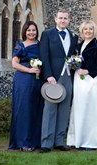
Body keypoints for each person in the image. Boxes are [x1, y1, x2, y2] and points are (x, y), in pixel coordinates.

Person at [39, 9, 78, 153]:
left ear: (69, 20)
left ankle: (59, 141)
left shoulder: (73, 36)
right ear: (55, 19)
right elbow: (44, 55)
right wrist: (48, 75)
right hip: (53, 77)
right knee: (50, 109)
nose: (63, 20)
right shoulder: (47, 34)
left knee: (64, 109)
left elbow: (73, 56)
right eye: (60, 18)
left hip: (68, 76)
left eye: (65, 18)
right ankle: (46, 143)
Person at [66, 20, 97, 150]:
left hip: (92, 80)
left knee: (92, 108)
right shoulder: (78, 46)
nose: (88, 31)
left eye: (90, 29)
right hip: (79, 80)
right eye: (85, 29)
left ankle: (92, 141)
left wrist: (88, 71)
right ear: (82, 31)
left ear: (94, 31)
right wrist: (75, 67)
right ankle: (78, 139)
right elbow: (72, 61)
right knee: (80, 108)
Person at [9, 21, 44, 152]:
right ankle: (23, 142)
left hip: (37, 81)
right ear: (24, 31)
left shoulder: (41, 45)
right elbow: (14, 64)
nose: (31, 33)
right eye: (29, 30)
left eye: (33, 30)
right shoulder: (20, 45)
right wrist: (29, 70)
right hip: (23, 81)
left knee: (36, 109)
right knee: (24, 109)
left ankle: (35, 141)